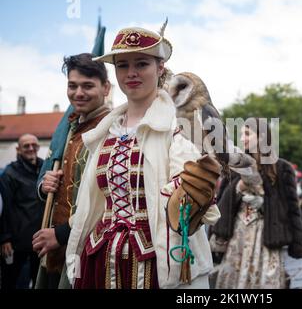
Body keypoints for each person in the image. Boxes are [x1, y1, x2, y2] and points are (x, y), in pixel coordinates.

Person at [65, 23, 221, 289]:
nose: (131, 73)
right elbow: (91, 205)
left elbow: (195, 194)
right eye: (122, 65)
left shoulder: (179, 123)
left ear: (159, 68)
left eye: (141, 64)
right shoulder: (103, 132)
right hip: (101, 260)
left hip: (160, 261)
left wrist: (185, 192)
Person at [31, 53, 112, 289]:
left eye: (88, 86)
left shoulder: (113, 128)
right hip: (56, 252)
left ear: (106, 88)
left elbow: (111, 201)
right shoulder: (71, 126)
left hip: (89, 251)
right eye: (72, 86)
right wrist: (44, 187)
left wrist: (63, 234)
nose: (78, 93)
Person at [211, 118, 302, 289]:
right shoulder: (234, 165)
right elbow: (221, 204)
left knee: (266, 282)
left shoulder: (281, 168)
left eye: (247, 134)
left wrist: (264, 204)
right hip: (238, 236)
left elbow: (291, 209)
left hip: (267, 234)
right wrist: (238, 188)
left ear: (262, 137)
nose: (242, 139)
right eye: (241, 134)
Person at [0, 134, 44, 289]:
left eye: (34, 145)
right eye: (26, 146)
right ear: (18, 150)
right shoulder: (9, 174)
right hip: (16, 242)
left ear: (38, 147)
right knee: (11, 282)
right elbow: (5, 207)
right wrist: (5, 238)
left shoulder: (45, 168)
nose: (31, 148)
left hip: (40, 240)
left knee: (38, 282)